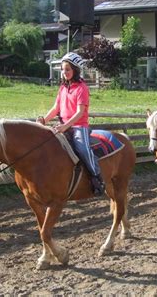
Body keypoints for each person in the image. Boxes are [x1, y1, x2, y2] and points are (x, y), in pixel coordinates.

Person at [36, 52, 105, 196]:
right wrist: (44, 121)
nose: (64, 72)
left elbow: (80, 112)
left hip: (79, 127)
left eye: (67, 69)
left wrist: (65, 126)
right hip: (63, 125)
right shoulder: (62, 88)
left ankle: (97, 178)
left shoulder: (82, 88)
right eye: (62, 69)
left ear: (75, 70)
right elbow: (56, 108)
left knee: (83, 149)